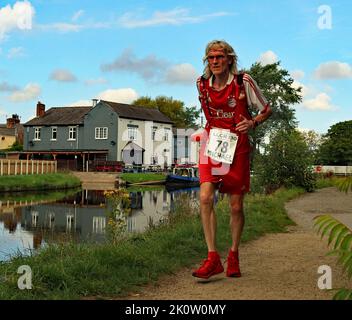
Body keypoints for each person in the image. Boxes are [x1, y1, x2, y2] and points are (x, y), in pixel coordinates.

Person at [192, 40, 272, 279]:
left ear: (229, 59)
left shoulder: (242, 82)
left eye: (219, 57)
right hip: (213, 143)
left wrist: (253, 122)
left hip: (237, 146)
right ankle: (212, 257)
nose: (215, 62)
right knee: (205, 197)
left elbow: (266, 108)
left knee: (236, 206)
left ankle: (234, 254)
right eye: (211, 58)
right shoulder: (201, 84)